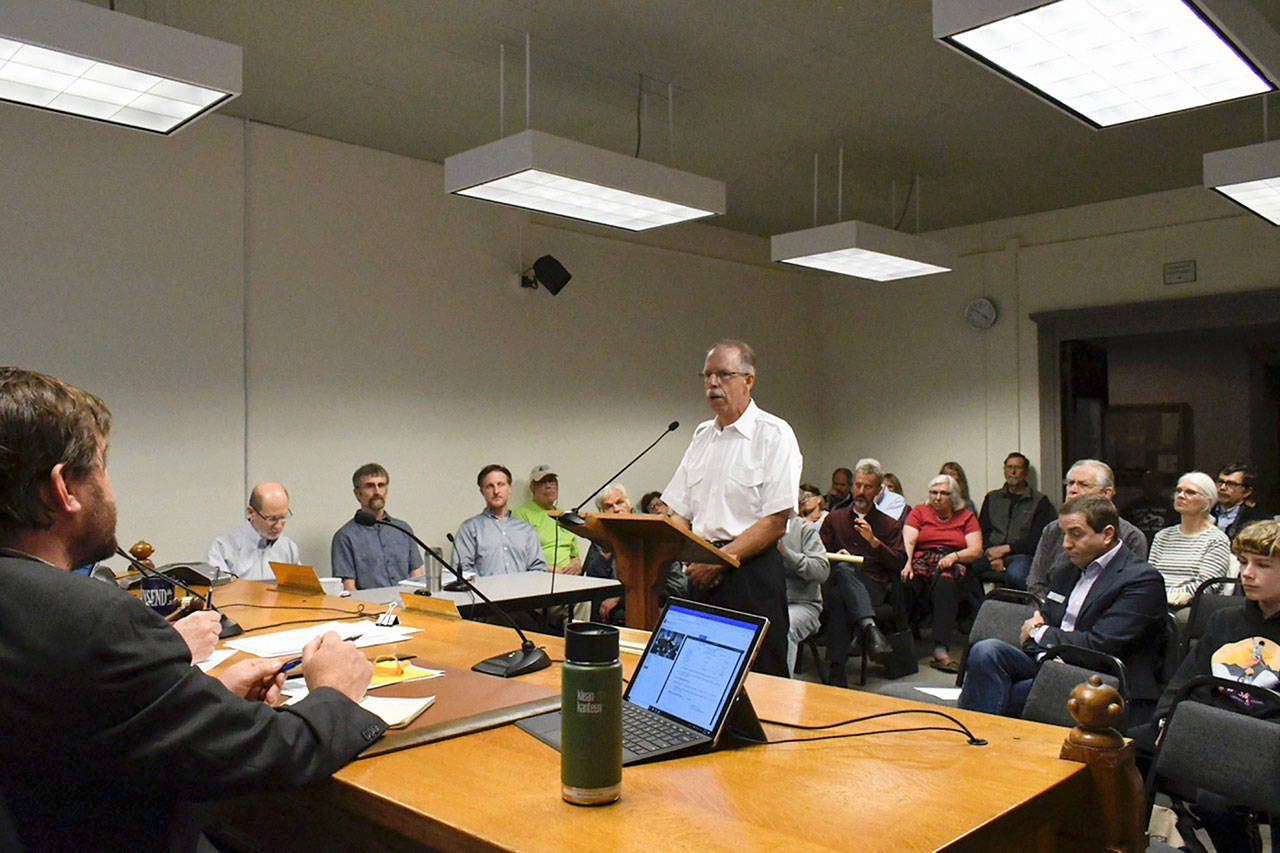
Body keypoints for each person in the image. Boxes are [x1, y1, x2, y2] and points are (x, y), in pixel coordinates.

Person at [0, 367, 383, 850]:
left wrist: (199, 696)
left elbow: (73, 732)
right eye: (101, 465)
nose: (110, 487)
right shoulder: (94, 620)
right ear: (63, 489)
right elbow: (274, 754)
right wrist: (336, 693)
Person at [958, 494, 1166, 722]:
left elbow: (1101, 645)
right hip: (1053, 662)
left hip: (1103, 679)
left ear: (1107, 534)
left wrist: (1042, 635)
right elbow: (1039, 624)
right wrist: (1044, 650)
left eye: (1075, 534)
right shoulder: (1067, 569)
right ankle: (977, 736)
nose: (1065, 543)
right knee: (986, 650)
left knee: (1005, 692)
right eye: (1063, 533)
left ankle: (978, 738)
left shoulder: (1141, 580)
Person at [662, 339, 802, 677]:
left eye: (723, 375)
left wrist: (719, 562)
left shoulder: (774, 434)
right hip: (701, 568)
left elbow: (774, 521)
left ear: (749, 380)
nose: (712, 384)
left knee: (761, 681)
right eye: (707, 375)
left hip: (750, 572)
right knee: (699, 677)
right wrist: (685, 554)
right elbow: (678, 512)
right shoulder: (701, 436)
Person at [1147, 520, 1280, 850]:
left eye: (1262, 565)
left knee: (1220, 788)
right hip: (1216, 731)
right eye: (1244, 562)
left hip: (1267, 740)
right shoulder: (1226, 620)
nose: (1247, 573)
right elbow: (1186, 682)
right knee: (1128, 749)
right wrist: (1166, 719)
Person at [818, 458, 902, 686]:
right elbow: (818, 554)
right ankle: (870, 628)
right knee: (842, 573)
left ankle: (836, 670)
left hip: (872, 585)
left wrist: (875, 542)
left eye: (868, 487)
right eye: (858, 485)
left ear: (878, 490)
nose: (861, 491)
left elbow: (898, 563)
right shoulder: (834, 519)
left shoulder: (888, 525)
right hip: (834, 581)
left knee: (840, 597)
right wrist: (837, 555)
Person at [1028, 459, 1148, 598]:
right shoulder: (1052, 529)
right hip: (1051, 608)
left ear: (1106, 493)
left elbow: (1131, 592)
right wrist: (1045, 612)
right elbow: (1036, 582)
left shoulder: (1131, 536)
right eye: (1070, 483)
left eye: (1083, 485)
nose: (1073, 490)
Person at [902, 473, 982, 673]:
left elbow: (976, 550)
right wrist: (907, 563)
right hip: (922, 559)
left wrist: (954, 557)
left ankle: (940, 650)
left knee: (946, 583)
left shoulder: (966, 516)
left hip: (953, 560)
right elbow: (909, 540)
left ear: (953, 496)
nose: (937, 497)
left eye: (943, 493)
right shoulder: (919, 512)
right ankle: (902, 645)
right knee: (905, 581)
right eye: (934, 492)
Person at [330, 463, 424, 591]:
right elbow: (348, 587)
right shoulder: (345, 536)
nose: (377, 491)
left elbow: (416, 575)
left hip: (407, 604)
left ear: (386, 491)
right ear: (358, 493)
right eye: (370, 486)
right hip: (370, 607)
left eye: (381, 485)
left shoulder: (402, 529)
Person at [1150, 471, 1233, 610]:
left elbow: (1207, 586)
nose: (1181, 496)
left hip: (1191, 608)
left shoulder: (1217, 540)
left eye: (1190, 492)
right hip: (1155, 603)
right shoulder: (1162, 536)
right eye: (1178, 491)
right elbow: (1150, 577)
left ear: (1208, 501)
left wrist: (1167, 597)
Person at [975, 452, 1055, 591]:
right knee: (964, 570)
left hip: (1021, 556)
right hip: (990, 554)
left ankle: (1020, 610)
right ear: (1004, 470)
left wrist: (1006, 549)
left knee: (1017, 575)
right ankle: (981, 609)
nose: (1012, 471)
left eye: (1017, 468)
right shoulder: (992, 498)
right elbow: (982, 530)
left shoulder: (1039, 501)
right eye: (1009, 467)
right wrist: (993, 555)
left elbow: (1038, 540)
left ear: (1025, 472)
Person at [451, 464, 546, 577]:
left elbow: (539, 569)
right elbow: (462, 571)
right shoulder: (470, 529)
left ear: (510, 488)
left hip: (524, 592)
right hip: (484, 593)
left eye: (500, 485)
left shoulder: (526, 530)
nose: (496, 491)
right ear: (482, 491)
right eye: (489, 486)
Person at [206, 480, 300, 581]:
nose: (278, 526)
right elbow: (218, 592)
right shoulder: (223, 547)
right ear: (251, 512)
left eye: (283, 517)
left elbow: (301, 589)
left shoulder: (288, 547)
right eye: (271, 519)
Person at [779, 503, 830, 675]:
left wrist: (787, 555)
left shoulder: (802, 528)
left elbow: (822, 570)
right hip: (764, 600)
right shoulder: (752, 527)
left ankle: (780, 692)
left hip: (801, 604)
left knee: (785, 627)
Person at [514, 465, 581, 574]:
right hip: (541, 577)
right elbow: (521, 557)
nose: (549, 486)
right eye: (542, 482)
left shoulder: (565, 515)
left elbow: (575, 555)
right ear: (532, 487)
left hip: (571, 578)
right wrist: (555, 571)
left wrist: (576, 565)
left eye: (552, 481)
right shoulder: (522, 514)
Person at [1213, 462, 1270, 541]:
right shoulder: (1203, 512)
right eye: (1220, 482)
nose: (1222, 488)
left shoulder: (1258, 521)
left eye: (1231, 484)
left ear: (1246, 492)